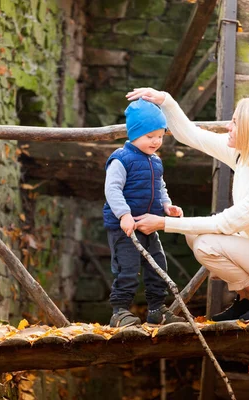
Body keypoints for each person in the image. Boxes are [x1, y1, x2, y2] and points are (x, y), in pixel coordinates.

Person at [126, 88, 249, 323]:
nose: (228, 128)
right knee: (194, 237)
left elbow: (224, 223)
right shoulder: (243, 156)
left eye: (234, 123)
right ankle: (247, 299)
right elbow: (192, 135)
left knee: (205, 243)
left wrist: (162, 223)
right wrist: (166, 100)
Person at [103, 98, 187, 327]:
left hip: (148, 225)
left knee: (157, 266)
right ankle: (120, 311)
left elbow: (159, 187)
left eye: (160, 136)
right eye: (150, 136)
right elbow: (112, 189)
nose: (156, 141)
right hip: (125, 227)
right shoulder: (121, 159)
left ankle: (156, 309)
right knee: (127, 269)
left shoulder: (155, 162)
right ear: (134, 134)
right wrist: (124, 215)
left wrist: (166, 206)